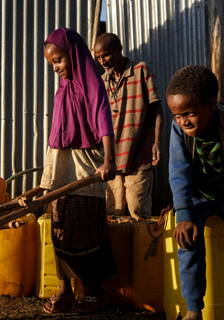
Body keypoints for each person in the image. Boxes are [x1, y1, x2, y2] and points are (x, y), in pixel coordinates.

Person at [39, 28, 117, 314]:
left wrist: (108, 160)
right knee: (58, 227)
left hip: (83, 165)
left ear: (72, 54)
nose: (56, 67)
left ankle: (95, 292)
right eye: (51, 64)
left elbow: (103, 120)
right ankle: (65, 290)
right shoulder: (63, 88)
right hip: (59, 165)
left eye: (58, 60)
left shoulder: (91, 83)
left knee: (83, 229)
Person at [167, 65, 224, 320]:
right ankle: (193, 310)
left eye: (189, 113)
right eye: (177, 115)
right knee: (188, 242)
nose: (183, 121)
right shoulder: (179, 130)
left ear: (212, 105)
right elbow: (178, 172)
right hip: (198, 197)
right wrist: (184, 214)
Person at [93, 33, 162, 221]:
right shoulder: (101, 82)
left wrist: (156, 142)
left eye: (105, 55)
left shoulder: (141, 71)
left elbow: (156, 109)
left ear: (119, 49)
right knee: (112, 215)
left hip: (139, 157)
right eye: (98, 58)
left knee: (139, 214)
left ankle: (144, 251)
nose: (102, 61)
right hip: (111, 161)